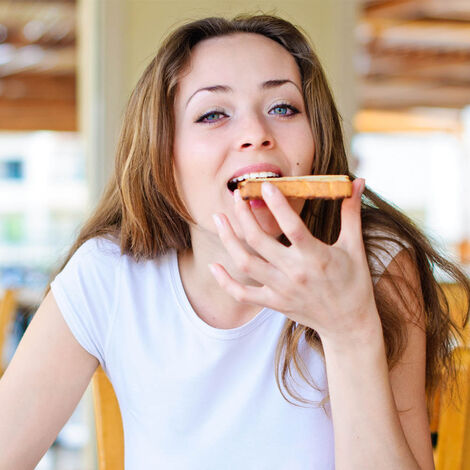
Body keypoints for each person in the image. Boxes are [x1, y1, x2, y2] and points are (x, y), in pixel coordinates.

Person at [1, 14, 469, 470]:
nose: (256, 135)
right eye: (212, 114)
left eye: (283, 108)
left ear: (315, 143)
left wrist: (350, 331)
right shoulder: (108, 275)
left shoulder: (374, 265)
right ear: (163, 157)